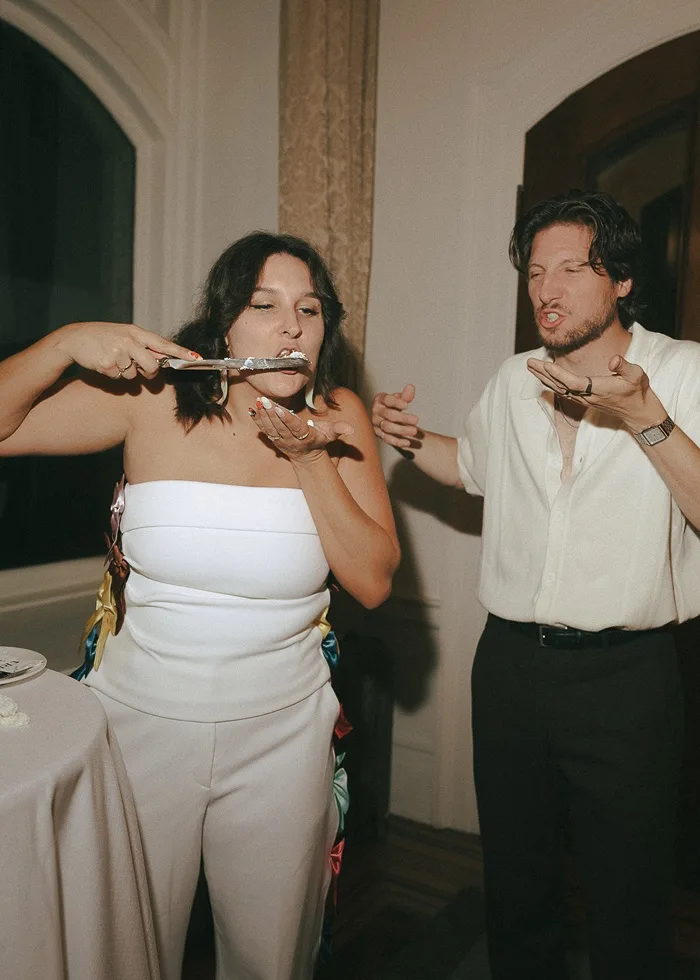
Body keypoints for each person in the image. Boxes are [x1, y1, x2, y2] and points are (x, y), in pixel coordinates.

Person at [0, 231, 400, 980]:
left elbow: (374, 580)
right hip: (135, 730)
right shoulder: (150, 402)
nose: (291, 327)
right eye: (265, 305)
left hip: (284, 740)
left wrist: (311, 463)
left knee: (271, 958)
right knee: (125, 949)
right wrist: (62, 343)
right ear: (225, 325)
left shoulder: (339, 414)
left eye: (309, 310)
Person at [372, 190, 700, 980]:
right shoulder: (516, 379)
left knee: (630, 897)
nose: (545, 291)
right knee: (517, 884)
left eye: (570, 269)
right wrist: (411, 441)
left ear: (619, 278)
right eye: (534, 272)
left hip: (628, 679)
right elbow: (474, 470)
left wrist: (646, 417)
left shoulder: (685, 372)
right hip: (512, 668)